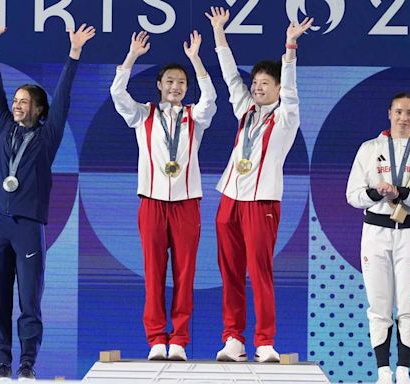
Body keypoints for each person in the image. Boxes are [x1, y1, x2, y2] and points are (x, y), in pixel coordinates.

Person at [0, 24, 95, 380]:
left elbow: (62, 98)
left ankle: (27, 364)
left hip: (28, 225)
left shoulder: (48, 137)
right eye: (15, 101)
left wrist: (74, 54)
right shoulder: (3, 126)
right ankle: (2, 363)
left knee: (29, 300)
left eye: (23, 102)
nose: (16, 105)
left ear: (38, 108)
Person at [205, 7, 312, 363]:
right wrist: (219, 33)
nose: (257, 87)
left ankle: (265, 341)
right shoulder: (245, 111)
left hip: (262, 203)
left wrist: (290, 48)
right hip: (229, 200)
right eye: (256, 83)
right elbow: (228, 77)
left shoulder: (286, 117)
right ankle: (233, 338)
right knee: (230, 272)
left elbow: (293, 90)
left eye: (265, 84)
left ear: (279, 89)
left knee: (259, 272)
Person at [110, 30, 217, 361]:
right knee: (154, 273)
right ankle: (157, 338)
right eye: (170, 81)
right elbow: (116, 91)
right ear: (159, 85)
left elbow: (211, 98)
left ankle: (180, 340)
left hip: (187, 204)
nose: (175, 87)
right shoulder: (143, 115)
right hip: (152, 204)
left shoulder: (194, 117)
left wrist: (196, 60)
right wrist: (131, 56)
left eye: (181, 82)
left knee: (185, 276)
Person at [346, 93, 410, 384]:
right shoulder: (369, 149)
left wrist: (403, 192)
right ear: (389, 113)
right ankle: (383, 372)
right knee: (378, 304)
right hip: (375, 235)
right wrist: (377, 193)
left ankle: (404, 371)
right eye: (399, 111)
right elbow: (353, 195)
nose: (404, 118)